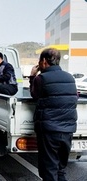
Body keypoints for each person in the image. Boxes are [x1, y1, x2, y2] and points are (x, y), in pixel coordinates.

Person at [29, 48, 78, 181]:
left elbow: (35, 95)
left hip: (49, 130)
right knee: (60, 169)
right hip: (68, 129)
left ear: (44, 61)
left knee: (49, 169)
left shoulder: (41, 78)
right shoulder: (70, 77)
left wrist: (32, 76)